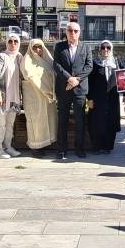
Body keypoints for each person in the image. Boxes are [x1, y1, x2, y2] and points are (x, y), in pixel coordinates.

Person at [53, 21, 93, 159]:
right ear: (66, 32)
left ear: (79, 32)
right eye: (70, 30)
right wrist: (69, 78)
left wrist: (76, 80)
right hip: (63, 89)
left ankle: (79, 148)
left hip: (80, 90)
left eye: (76, 31)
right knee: (62, 120)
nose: (73, 33)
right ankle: (61, 149)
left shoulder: (86, 48)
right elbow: (56, 65)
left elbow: (89, 67)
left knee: (80, 121)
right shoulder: (59, 46)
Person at [21, 38, 58, 155]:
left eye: (39, 47)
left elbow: (54, 73)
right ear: (30, 48)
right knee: (36, 121)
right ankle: (35, 147)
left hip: (47, 97)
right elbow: (29, 75)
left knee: (48, 119)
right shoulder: (26, 60)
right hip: (34, 97)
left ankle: (46, 144)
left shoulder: (47, 60)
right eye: (35, 47)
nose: (37, 49)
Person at [0, 32, 24, 159]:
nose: (13, 44)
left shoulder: (19, 57)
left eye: (15, 41)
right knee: (0, 123)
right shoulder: (2, 56)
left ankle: (8, 146)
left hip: (15, 97)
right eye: (10, 41)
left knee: (10, 124)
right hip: (3, 96)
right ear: (6, 43)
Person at [88, 40, 122, 153]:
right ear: (100, 49)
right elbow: (89, 82)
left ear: (111, 49)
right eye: (103, 47)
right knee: (97, 122)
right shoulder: (94, 64)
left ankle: (108, 147)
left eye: (108, 47)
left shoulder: (116, 63)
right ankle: (97, 146)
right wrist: (90, 98)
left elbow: (124, 78)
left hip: (112, 99)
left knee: (110, 122)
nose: (105, 50)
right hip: (98, 99)